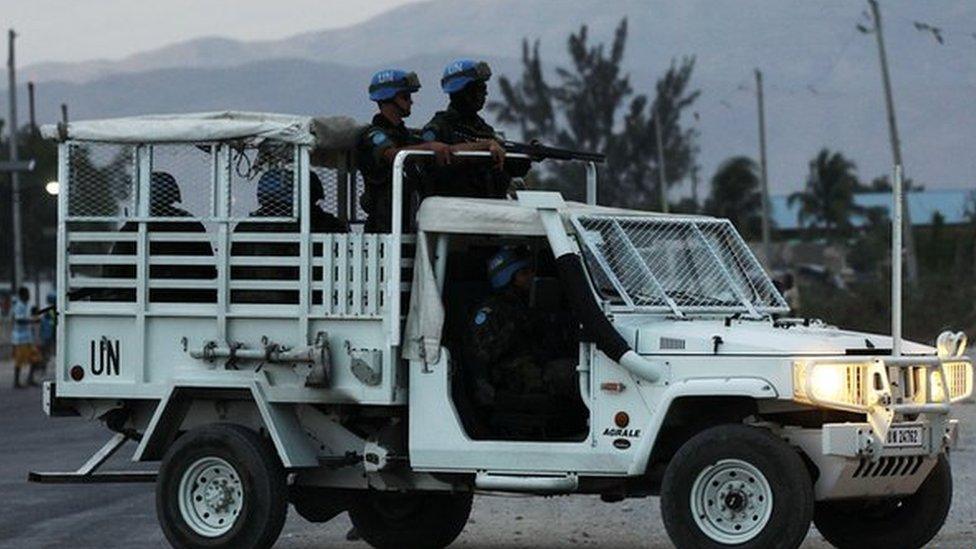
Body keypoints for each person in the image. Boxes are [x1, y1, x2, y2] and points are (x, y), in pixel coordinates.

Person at [356, 69, 492, 233]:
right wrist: (429, 147)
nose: (411, 102)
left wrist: (484, 146)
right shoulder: (373, 136)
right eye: (405, 97)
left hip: (410, 223)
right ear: (386, 100)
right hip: (384, 228)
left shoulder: (407, 137)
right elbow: (392, 155)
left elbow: (447, 150)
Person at [463, 248, 577, 402]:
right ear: (508, 279)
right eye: (524, 273)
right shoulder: (491, 311)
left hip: (531, 365)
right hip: (511, 374)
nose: (531, 277)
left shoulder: (522, 305)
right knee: (570, 373)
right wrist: (514, 328)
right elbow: (482, 354)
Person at [421, 59, 529, 199]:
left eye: (484, 89)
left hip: (487, 210)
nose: (485, 94)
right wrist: (482, 147)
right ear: (462, 92)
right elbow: (434, 159)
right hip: (451, 212)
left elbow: (509, 168)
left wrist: (526, 156)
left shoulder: (485, 130)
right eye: (479, 89)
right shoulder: (438, 128)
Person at [10, 287, 39, 388]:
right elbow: (18, 320)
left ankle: (30, 379)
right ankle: (16, 382)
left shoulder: (25, 305)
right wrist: (32, 320)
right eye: (27, 294)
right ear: (22, 295)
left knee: (35, 358)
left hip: (27, 338)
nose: (29, 296)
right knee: (19, 361)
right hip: (20, 339)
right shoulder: (19, 306)